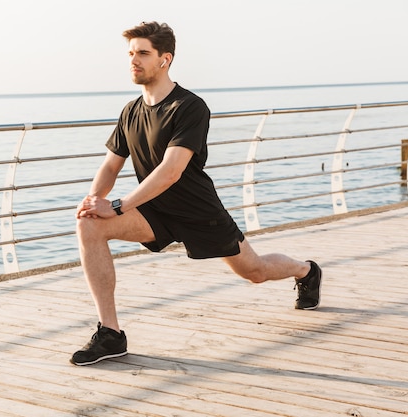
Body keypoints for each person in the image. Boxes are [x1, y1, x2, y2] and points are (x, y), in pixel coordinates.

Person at [70, 21, 322, 366]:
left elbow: (170, 171)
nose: (134, 60)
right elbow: (111, 166)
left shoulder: (189, 106)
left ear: (165, 59)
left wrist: (117, 205)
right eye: (130, 53)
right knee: (89, 226)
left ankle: (305, 271)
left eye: (143, 53)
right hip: (152, 210)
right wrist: (91, 203)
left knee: (255, 272)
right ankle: (111, 334)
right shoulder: (130, 111)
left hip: (197, 210)